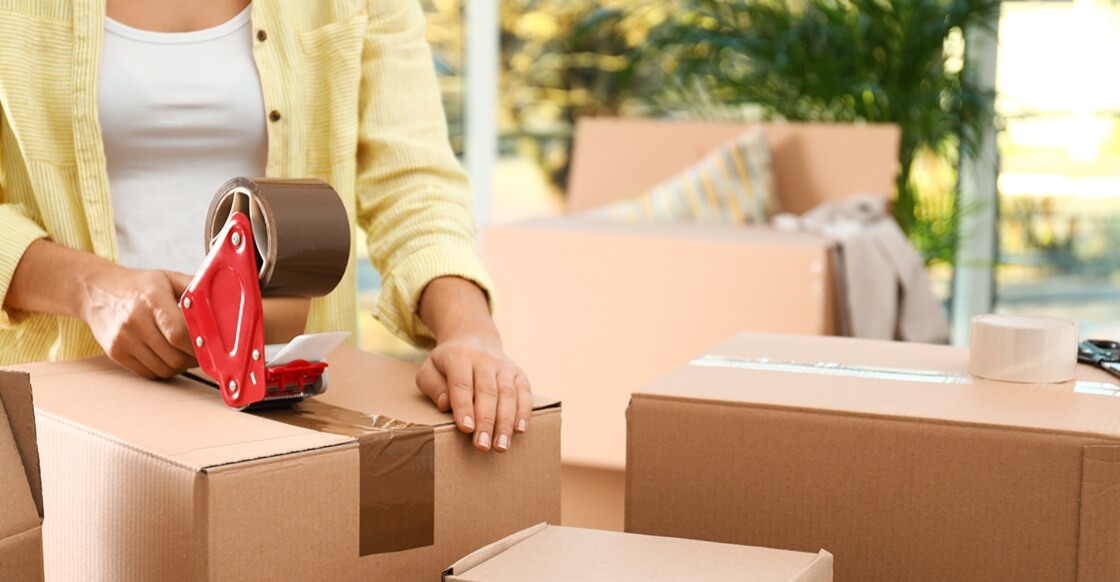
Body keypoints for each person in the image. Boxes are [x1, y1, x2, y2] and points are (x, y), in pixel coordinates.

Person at [0, 0, 531, 453]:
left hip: (290, 414)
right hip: (64, 413)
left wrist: (469, 329)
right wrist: (90, 288)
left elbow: (412, 183)